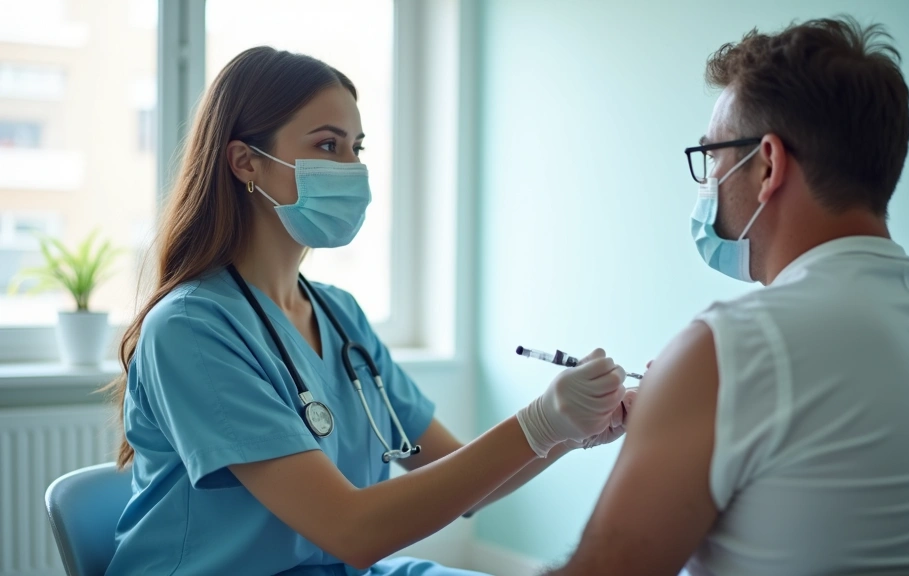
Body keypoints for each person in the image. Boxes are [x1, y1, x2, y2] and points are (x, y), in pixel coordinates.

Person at [104, 46, 635, 576]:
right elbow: (351, 532)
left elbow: (458, 478)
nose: (352, 169)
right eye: (328, 145)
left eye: (356, 148)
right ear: (246, 162)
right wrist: (541, 422)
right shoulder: (190, 328)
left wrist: (573, 430)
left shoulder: (339, 315)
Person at [543, 16, 909, 576]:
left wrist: (673, 406)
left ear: (767, 164)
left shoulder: (725, 351)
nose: (709, 186)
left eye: (713, 159)